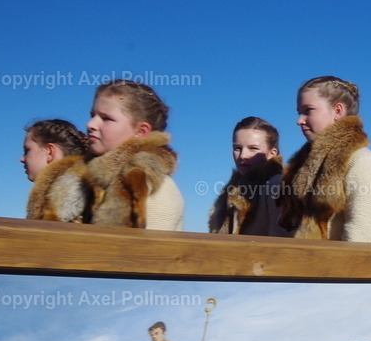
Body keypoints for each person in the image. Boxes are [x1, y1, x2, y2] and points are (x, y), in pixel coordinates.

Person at [279, 76, 371, 242]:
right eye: (299, 112)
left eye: (308, 110)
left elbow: (360, 242)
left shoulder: (362, 162)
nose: (299, 121)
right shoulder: (303, 166)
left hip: (346, 267)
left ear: (337, 111)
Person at [85, 79, 185, 230]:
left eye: (106, 118)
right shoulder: (85, 180)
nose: (90, 124)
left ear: (140, 131)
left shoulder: (155, 188)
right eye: (93, 115)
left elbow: (151, 251)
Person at [209, 117, 286, 236]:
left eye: (253, 148)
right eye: (237, 148)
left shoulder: (277, 185)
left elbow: (282, 244)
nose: (243, 155)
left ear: (272, 153)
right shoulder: (232, 189)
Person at [22, 119, 90, 222]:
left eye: (27, 150)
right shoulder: (85, 185)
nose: (22, 159)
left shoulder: (73, 195)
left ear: (50, 152)